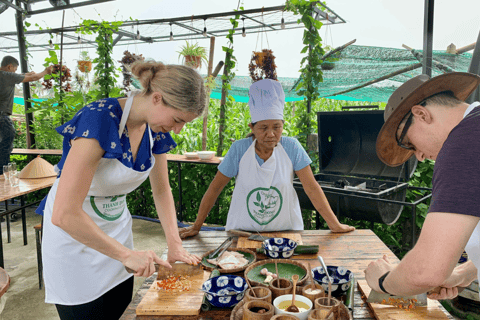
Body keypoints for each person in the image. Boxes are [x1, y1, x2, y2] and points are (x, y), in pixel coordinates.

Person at [36, 60, 206, 320]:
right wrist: (126, 254)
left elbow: (161, 190)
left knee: (119, 310)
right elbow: (64, 213)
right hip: (75, 242)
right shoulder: (100, 118)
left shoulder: (155, 131)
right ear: (157, 98)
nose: (177, 129)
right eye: (177, 120)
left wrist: (174, 244)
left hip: (116, 235)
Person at [179, 79, 354, 239]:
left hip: (286, 233)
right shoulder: (239, 149)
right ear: (252, 127)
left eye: (276, 127)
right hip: (243, 233)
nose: (271, 134)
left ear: (283, 125)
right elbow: (215, 188)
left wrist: (335, 225)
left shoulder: (292, 148)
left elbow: (312, 189)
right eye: (263, 128)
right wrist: (197, 226)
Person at [365, 72, 480, 300]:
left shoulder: (464, 142)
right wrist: (463, 273)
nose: (418, 156)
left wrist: (382, 280)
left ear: (421, 114)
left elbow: (426, 271)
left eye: (409, 142)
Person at [0, 55, 52, 174]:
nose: (15, 72)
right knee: (6, 145)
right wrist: (46, 71)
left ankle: (3, 171)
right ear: (9, 66)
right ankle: (3, 173)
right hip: (2, 116)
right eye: (14, 69)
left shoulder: (4, 74)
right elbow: (33, 78)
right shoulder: (7, 75)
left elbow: (23, 76)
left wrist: (27, 73)